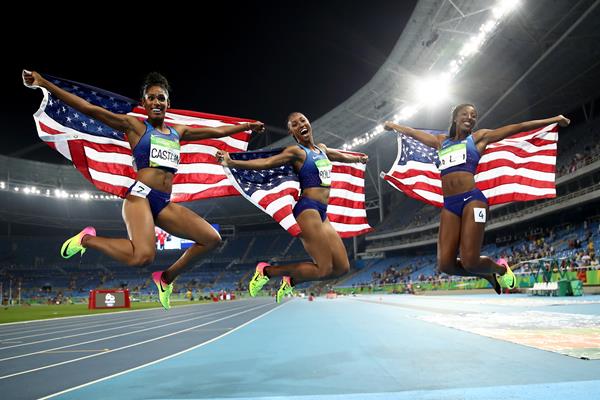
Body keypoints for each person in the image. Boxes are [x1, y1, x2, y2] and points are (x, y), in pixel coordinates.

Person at [23, 70, 264, 310]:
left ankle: (166, 279)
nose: (156, 102)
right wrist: (44, 83)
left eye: (161, 98)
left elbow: (217, 132)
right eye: (151, 97)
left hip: (163, 203)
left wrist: (246, 127)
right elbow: (90, 109)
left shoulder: (178, 132)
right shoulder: (134, 126)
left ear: (168, 103)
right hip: (139, 197)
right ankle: (86, 240)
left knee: (211, 239)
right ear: (144, 103)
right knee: (142, 257)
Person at [384, 104, 570, 293]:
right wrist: (395, 126)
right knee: (445, 265)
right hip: (450, 205)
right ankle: (487, 274)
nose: (470, 117)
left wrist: (553, 119)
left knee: (470, 261)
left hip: (473, 201)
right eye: (465, 114)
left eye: (474, 115)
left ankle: (501, 269)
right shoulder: (441, 142)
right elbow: (414, 133)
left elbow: (518, 127)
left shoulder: (479, 138)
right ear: (455, 118)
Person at [216, 112, 368, 302]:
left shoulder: (321, 149)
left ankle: (291, 281)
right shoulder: (296, 152)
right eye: (294, 124)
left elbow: (337, 155)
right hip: (307, 209)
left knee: (342, 268)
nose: (300, 124)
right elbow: (266, 163)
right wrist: (232, 162)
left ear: (308, 123)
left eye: (302, 120)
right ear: (292, 131)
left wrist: (357, 160)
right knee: (324, 268)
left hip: (322, 212)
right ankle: (267, 271)